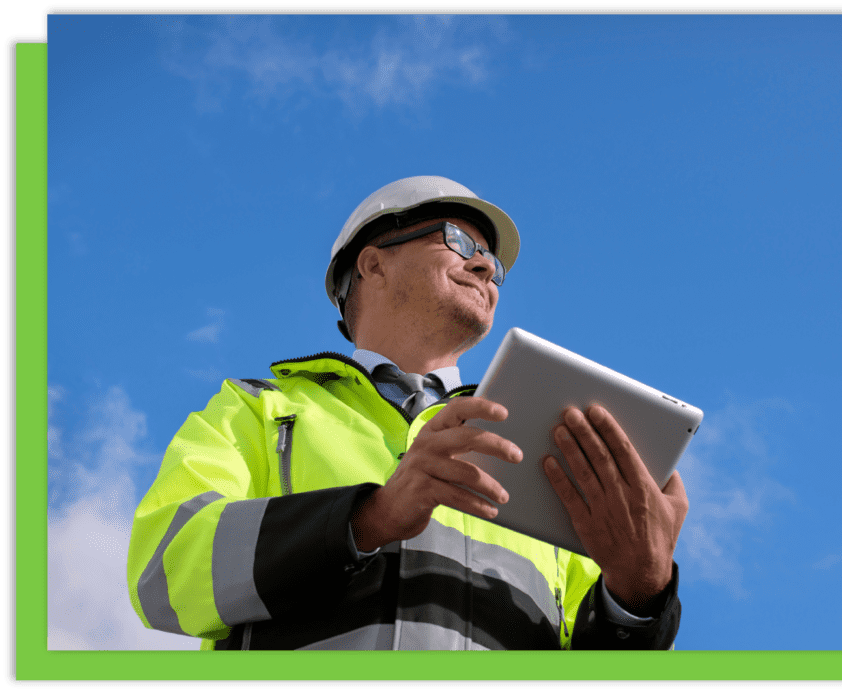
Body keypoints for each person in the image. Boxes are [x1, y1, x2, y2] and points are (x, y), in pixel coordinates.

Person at [127, 175, 689, 650]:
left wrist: (638, 599)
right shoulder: (259, 409)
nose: (486, 269)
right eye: (460, 243)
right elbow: (164, 569)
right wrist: (367, 517)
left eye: (492, 263)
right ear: (372, 264)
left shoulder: (534, 442)